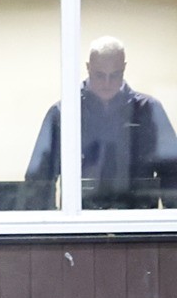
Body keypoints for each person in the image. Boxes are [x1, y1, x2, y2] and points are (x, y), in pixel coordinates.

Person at [24, 36, 177, 209]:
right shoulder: (64, 113)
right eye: (99, 75)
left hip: (137, 222)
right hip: (80, 223)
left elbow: (172, 173)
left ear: (124, 68)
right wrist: (50, 230)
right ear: (88, 68)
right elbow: (39, 179)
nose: (107, 83)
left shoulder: (148, 110)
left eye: (115, 75)